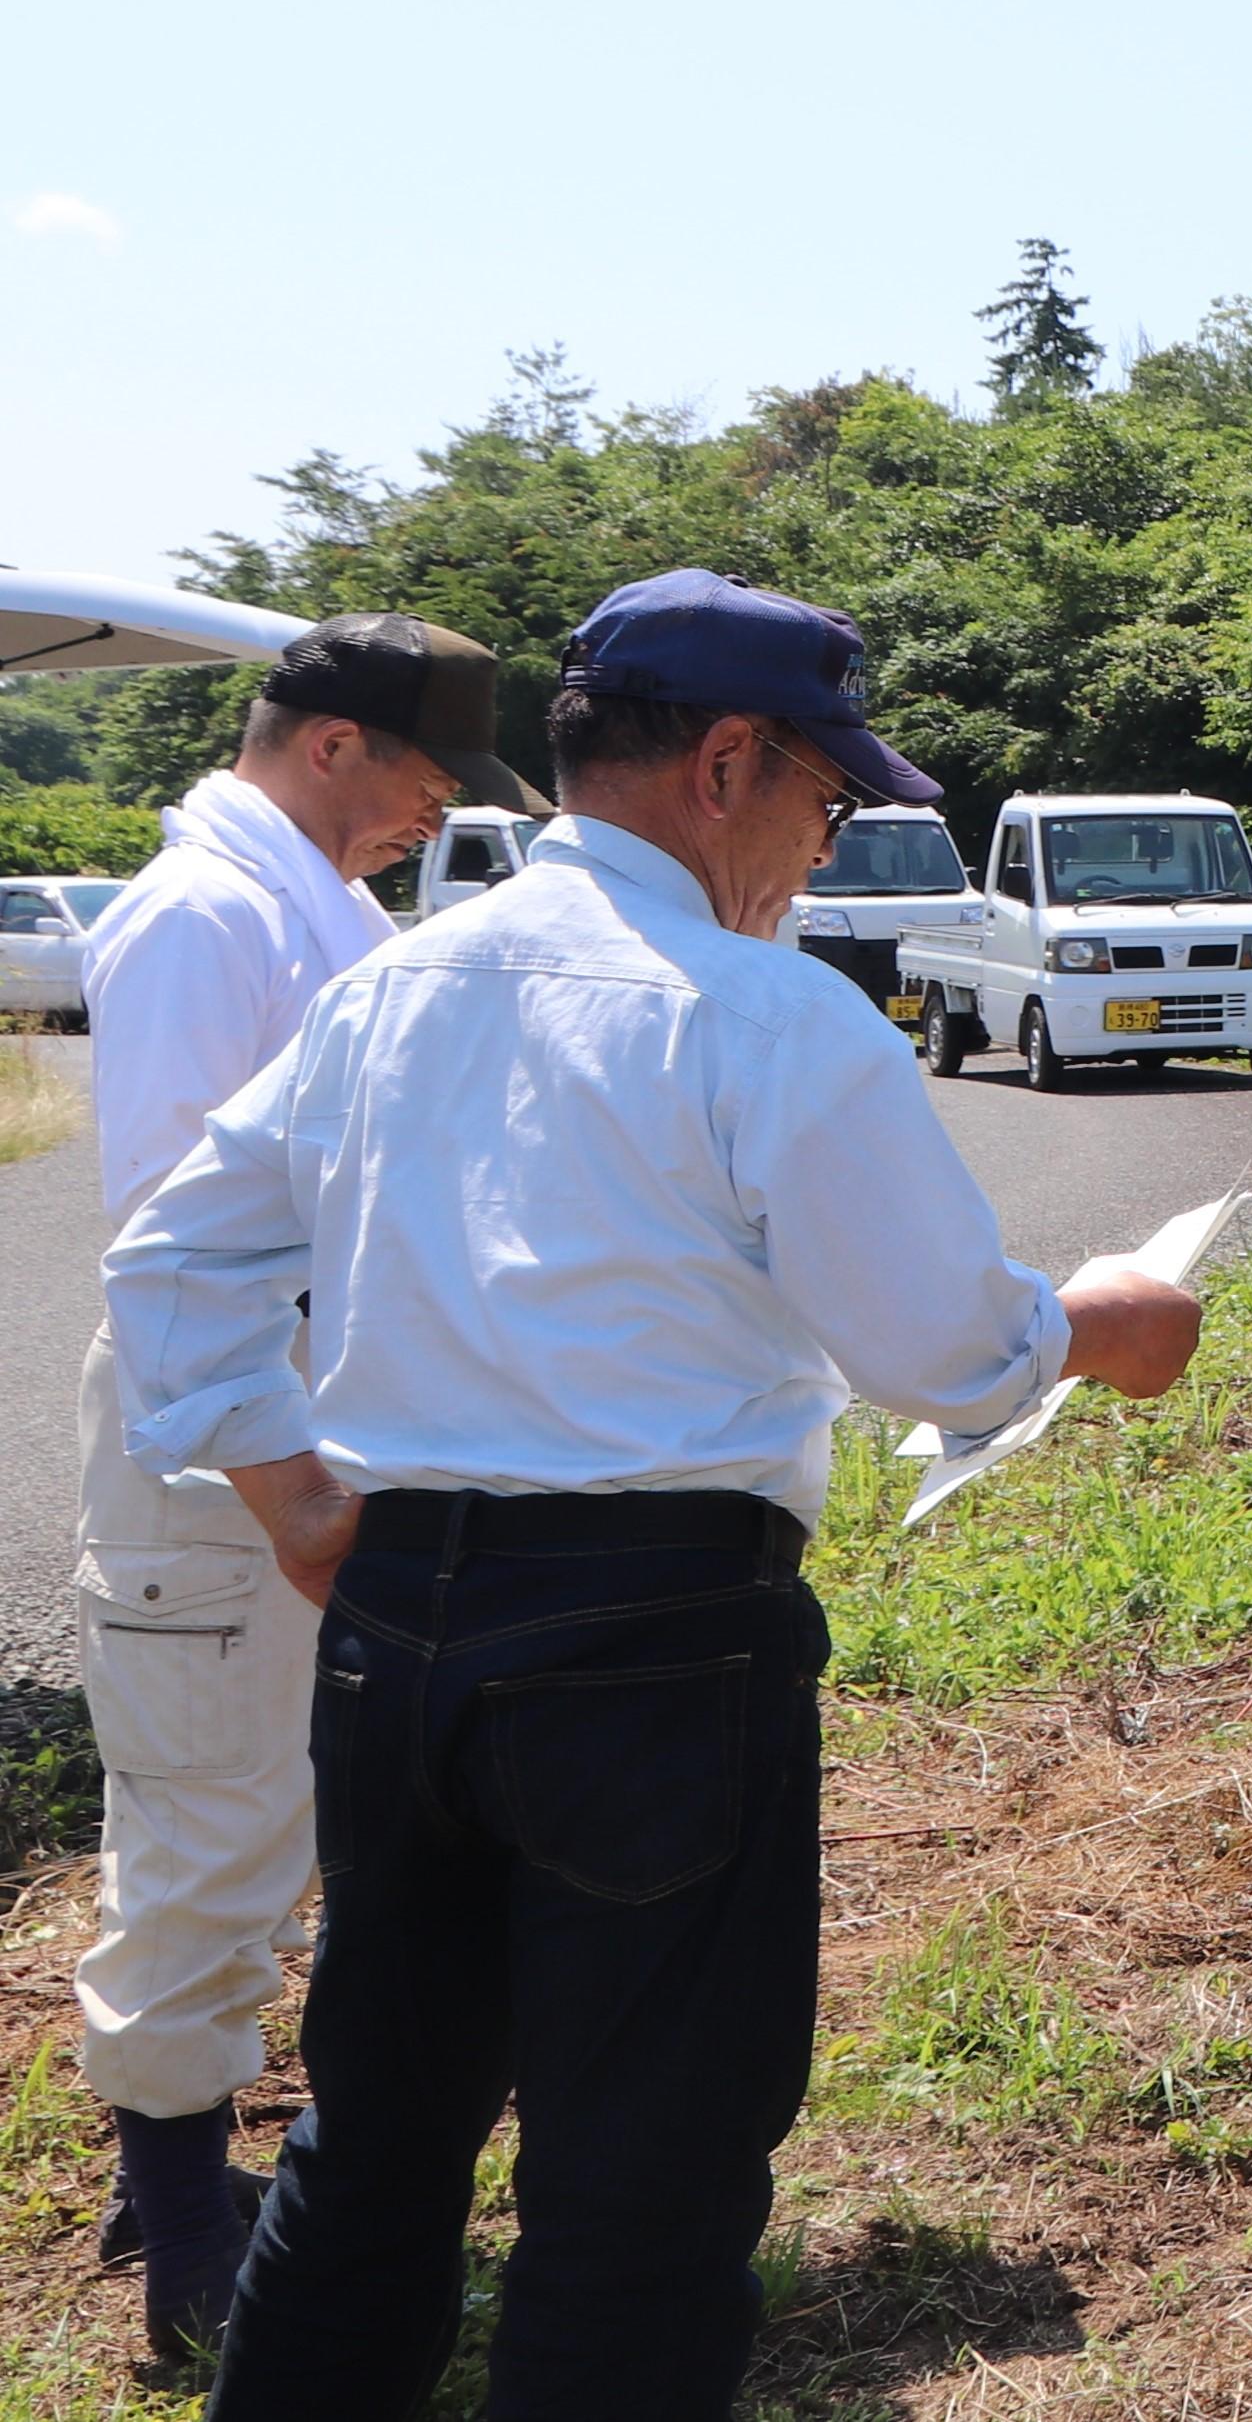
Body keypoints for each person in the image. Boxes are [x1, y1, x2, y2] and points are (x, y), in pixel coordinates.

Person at [101, 569, 1204, 2417]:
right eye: (827, 801)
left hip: (398, 1624)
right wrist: (1101, 1323)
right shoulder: (767, 1018)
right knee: (641, 2182)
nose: (823, 841)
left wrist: (292, 1493)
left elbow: (175, 1257)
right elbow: (944, 1346)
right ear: (726, 760)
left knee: (369, 2148)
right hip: (659, 1644)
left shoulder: (391, 992)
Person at [68, 614, 531, 2362]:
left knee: (273, 1812)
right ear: (329, 742)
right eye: (425, 773)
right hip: (225, 1444)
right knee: (210, 1817)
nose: (435, 809)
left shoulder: (311, 904)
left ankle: (182, 2182)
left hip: (301, 1427)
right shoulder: (207, 916)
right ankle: (186, 2245)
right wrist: (282, 1480)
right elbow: (168, 1237)